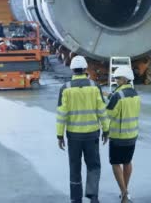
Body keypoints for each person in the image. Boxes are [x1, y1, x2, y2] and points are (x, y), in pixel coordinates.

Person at [57, 55, 109, 203]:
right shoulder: (95, 87)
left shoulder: (65, 89)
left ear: (72, 69)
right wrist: (106, 131)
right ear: (86, 69)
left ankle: (76, 199)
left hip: (74, 137)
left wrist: (59, 135)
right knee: (93, 166)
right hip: (92, 135)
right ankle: (93, 197)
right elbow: (102, 111)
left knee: (74, 167)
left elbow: (61, 115)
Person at [106, 66, 140, 203]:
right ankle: (125, 190)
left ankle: (124, 193)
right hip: (132, 135)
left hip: (118, 136)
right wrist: (110, 96)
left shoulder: (117, 96)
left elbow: (109, 113)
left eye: (118, 78)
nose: (116, 80)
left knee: (115, 163)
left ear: (125, 79)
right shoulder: (135, 94)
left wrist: (106, 102)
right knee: (127, 162)